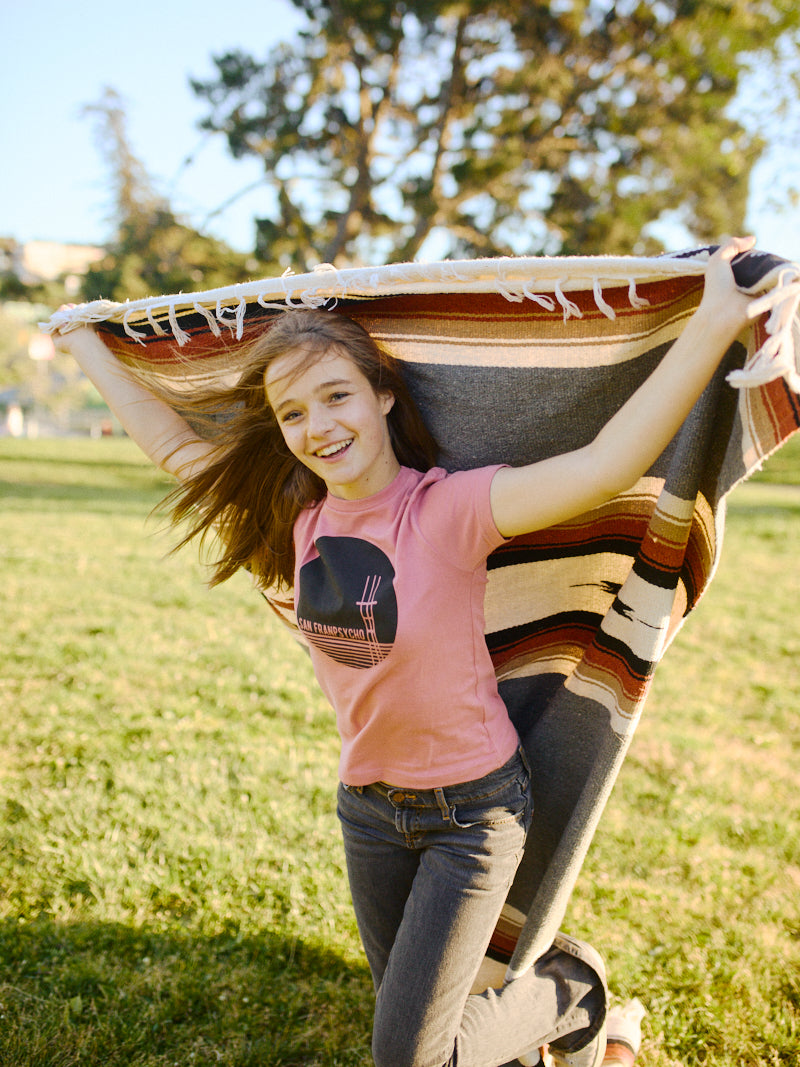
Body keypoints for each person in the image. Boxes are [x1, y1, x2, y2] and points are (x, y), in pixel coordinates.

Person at [53, 236, 758, 1067]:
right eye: (293, 412)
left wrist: (712, 323)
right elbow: (175, 450)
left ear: (383, 395)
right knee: (431, 1028)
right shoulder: (297, 521)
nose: (319, 426)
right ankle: (561, 1028)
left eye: (336, 395)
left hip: (472, 813)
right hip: (369, 813)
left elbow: (605, 465)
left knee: (413, 1057)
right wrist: (84, 342)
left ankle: (574, 988)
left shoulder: (448, 510)